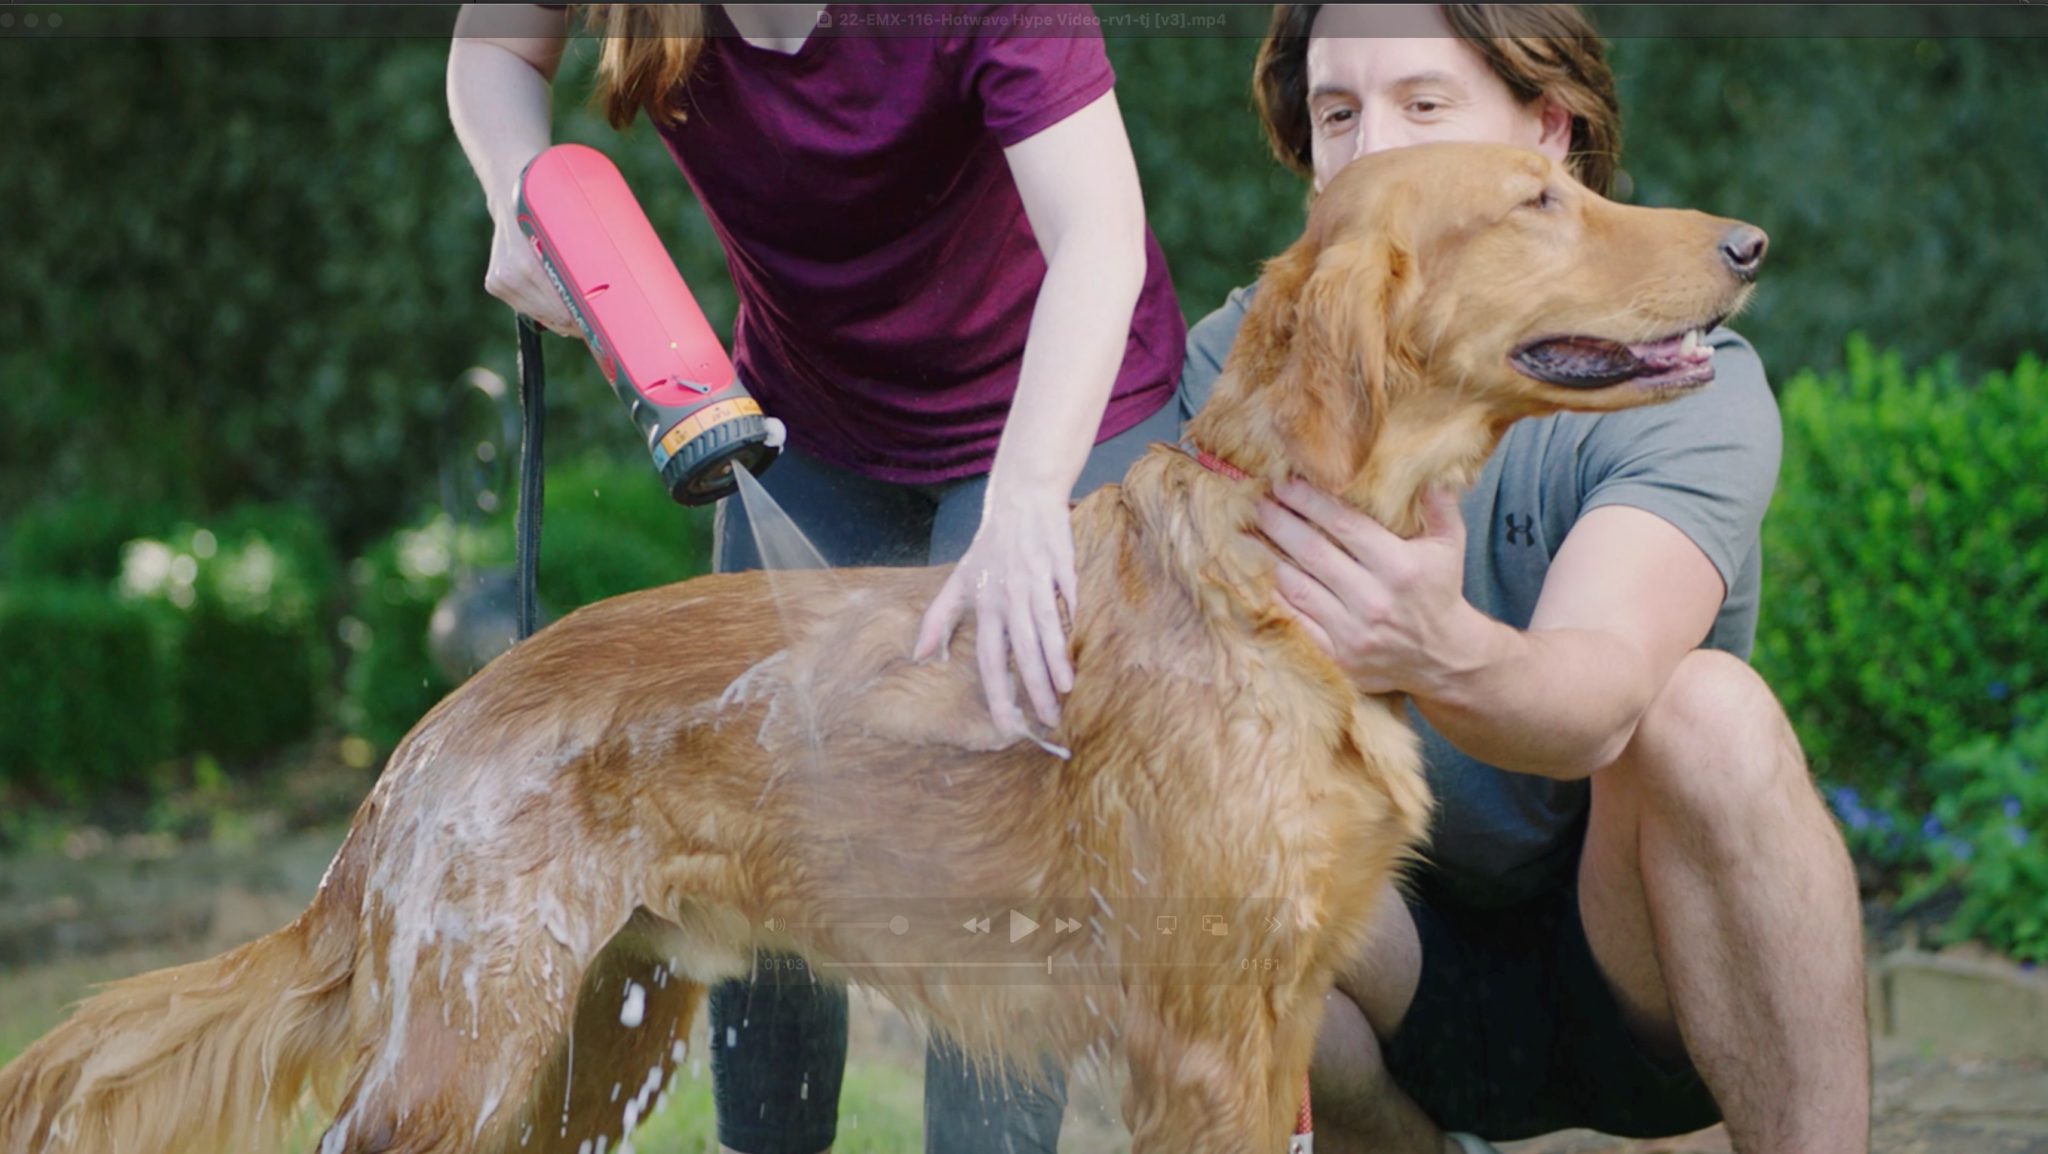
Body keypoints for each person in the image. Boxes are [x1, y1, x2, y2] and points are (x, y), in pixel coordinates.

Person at [447, 5, 1185, 1153]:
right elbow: (493, 45)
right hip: (818, 419)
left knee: (982, 814)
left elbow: (1099, 236)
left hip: (1055, 410)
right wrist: (517, 187)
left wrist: (1027, 498)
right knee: (763, 798)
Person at [1174, 6, 1869, 1153]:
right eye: (1336, 113)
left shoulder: (1689, 385)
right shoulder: (1244, 366)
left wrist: (1431, 644)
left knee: (1709, 712)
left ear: (1544, 131)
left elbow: (1592, 704)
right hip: (1385, 977)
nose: (1369, 149)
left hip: (1637, 975)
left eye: (1422, 103)